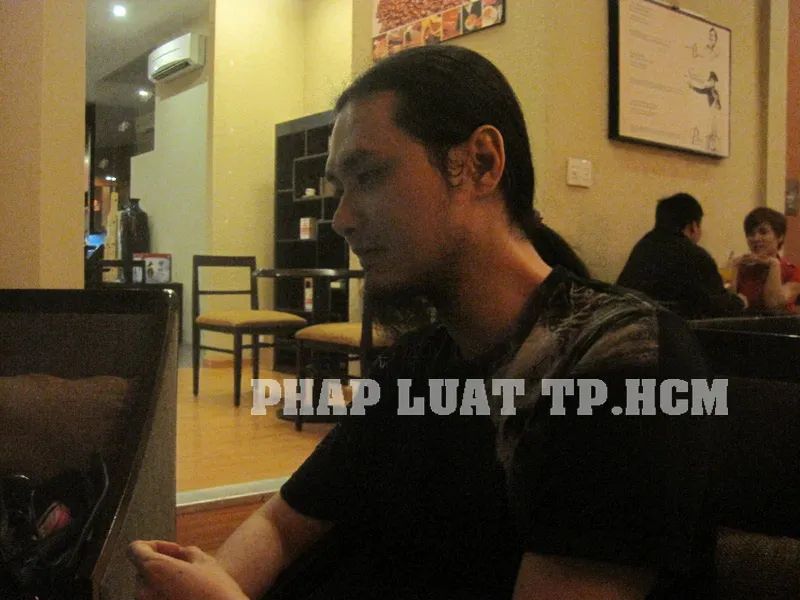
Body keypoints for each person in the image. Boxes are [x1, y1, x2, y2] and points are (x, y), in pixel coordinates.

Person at [129, 46, 717, 600]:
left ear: (481, 163)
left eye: (368, 176)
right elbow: (282, 523)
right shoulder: (417, 364)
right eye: (338, 188)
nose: (341, 219)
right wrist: (218, 578)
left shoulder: (626, 362)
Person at [617, 192, 747, 319]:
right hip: (667, 329)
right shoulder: (695, 256)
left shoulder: (643, 246)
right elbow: (720, 307)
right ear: (693, 226)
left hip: (623, 322)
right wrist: (740, 302)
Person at [734, 207, 800, 312]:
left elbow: (774, 304)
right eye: (751, 234)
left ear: (780, 237)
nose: (756, 238)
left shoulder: (792, 272)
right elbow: (728, 308)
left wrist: (774, 264)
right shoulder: (743, 268)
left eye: (763, 232)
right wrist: (734, 269)